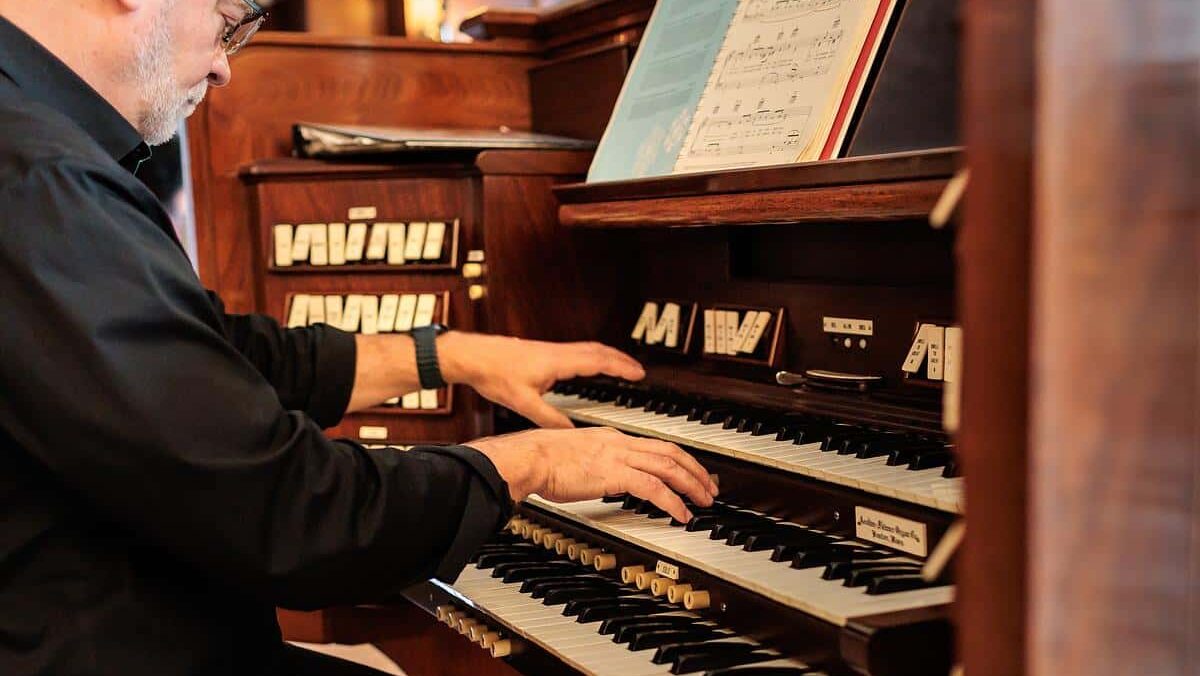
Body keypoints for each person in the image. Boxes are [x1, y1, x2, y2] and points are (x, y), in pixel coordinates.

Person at [0, 1, 718, 674]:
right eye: (227, 21)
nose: (224, 67)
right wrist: (522, 465)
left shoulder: (35, 151)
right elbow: (289, 513)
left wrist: (453, 355)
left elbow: (216, 356)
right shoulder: (41, 180)